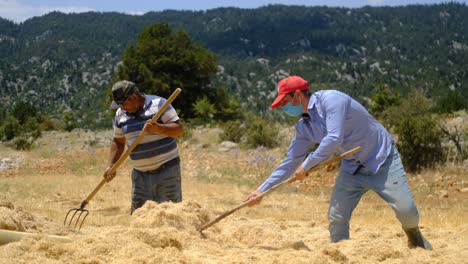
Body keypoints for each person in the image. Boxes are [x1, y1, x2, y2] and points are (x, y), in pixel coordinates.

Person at [245, 76, 432, 250]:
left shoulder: (332, 100)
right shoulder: (304, 127)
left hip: (381, 160)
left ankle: (414, 235)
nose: (284, 108)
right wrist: (262, 190)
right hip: (352, 168)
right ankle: (341, 253)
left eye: (285, 102)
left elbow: (334, 138)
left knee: (407, 213)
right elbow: (290, 162)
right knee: (336, 217)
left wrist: (307, 165)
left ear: (298, 95)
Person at [103, 80, 184, 214]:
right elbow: (118, 142)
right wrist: (111, 165)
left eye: (123, 103)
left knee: (170, 215)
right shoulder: (120, 114)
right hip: (140, 175)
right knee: (139, 217)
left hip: (167, 170)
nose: (122, 108)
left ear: (133, 97)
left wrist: (159, 128)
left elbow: (178, 129)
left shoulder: (160, 104)